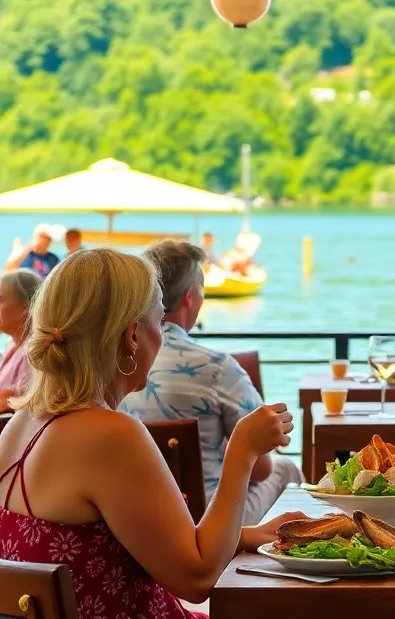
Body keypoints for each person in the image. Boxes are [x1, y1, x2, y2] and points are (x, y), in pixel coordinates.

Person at [0, 248, 303, 615]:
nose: (161, 334)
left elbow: (111, 544)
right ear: (131, 336)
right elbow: (196, 580)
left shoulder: (20, 425)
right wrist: (242, 451)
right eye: (160, 321)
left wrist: (246, 537)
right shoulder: (111, 436)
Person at [120, 241, 304, 525]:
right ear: (190, 297)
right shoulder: (217, 368)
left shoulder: (114, 369)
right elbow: (261, 469)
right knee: (285, 468)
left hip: (137, 520)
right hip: (209, 521)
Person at [0, 269, 39, 412]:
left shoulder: (34, 354)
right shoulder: (13, 344)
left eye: (0, 299)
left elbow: (16, 406)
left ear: (25, 307)